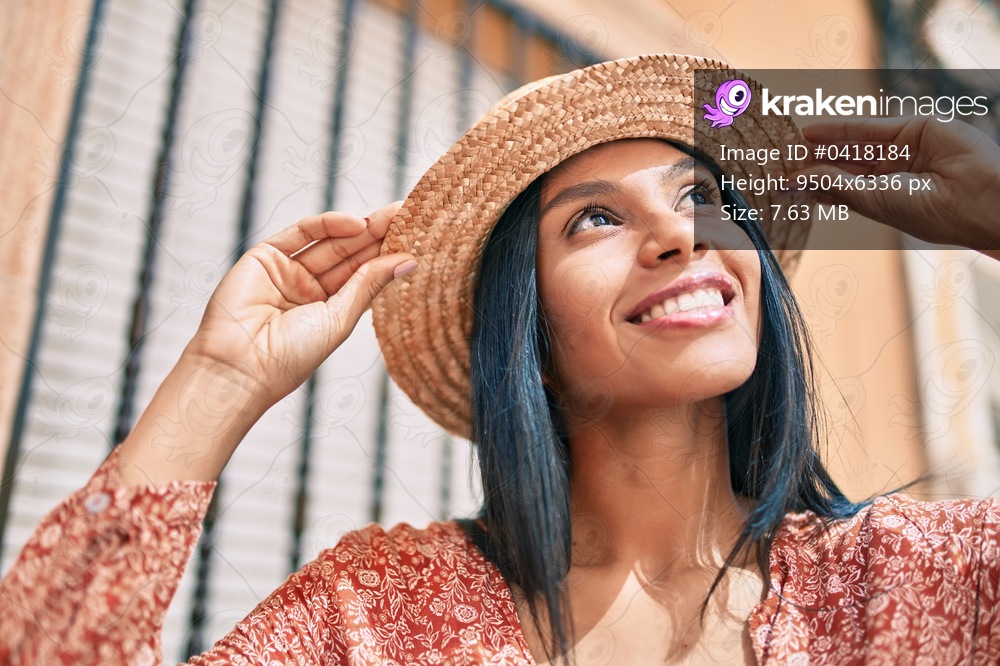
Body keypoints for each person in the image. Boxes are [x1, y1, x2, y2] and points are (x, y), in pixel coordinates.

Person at [1, 53, 998, 665]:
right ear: (528, 332)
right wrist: (217, 384)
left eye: (699, 195)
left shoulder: (917, 583)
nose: (675, 234)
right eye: (594, 219)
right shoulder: (378, 618)